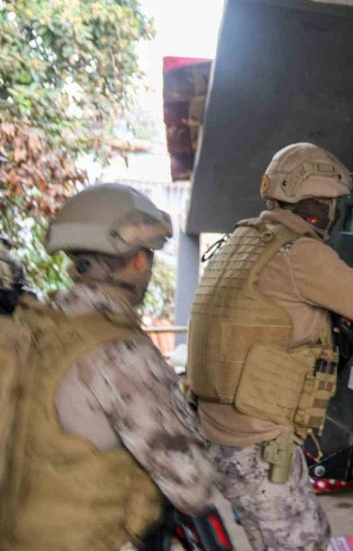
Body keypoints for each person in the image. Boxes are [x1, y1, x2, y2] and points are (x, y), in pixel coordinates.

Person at [187, 142, 353, 551]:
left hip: (215, 430)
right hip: (257, 444)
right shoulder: (301, 253)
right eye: (334, 204)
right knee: (302, 543)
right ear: (319, 203)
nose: (336, 214)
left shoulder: (242, 240)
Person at [0, 183, 215, 550]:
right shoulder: (121, 354)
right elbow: (193, 486)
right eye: (148, 254)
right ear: (136, 261)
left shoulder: (30, 327)